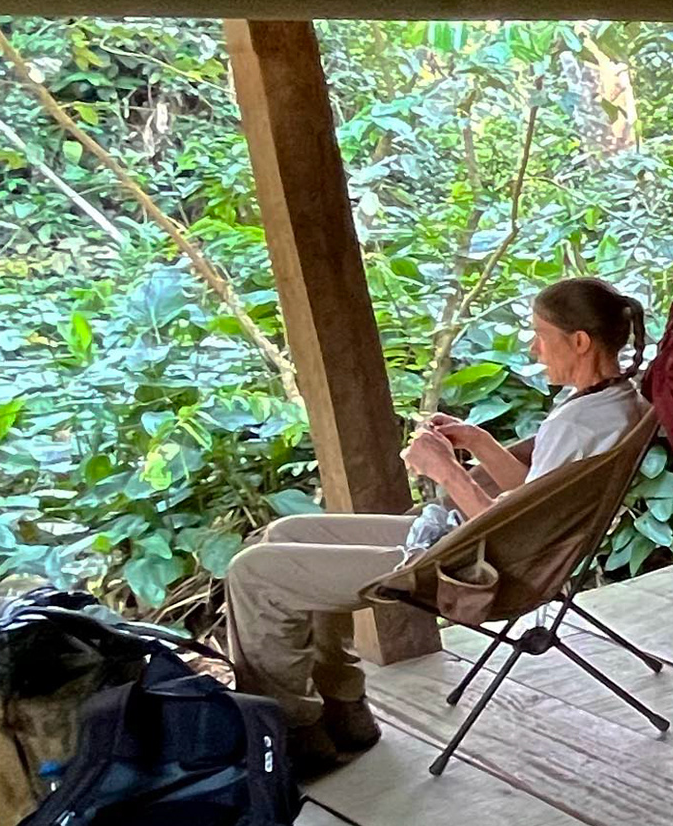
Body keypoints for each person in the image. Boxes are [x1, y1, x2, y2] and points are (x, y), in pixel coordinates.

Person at [220, 276, 648, 773]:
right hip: (491, 546)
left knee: (255, 573)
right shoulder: (611, 404)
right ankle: (342, 708)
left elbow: (510, 527)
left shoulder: (583, 422)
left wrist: (444, 469)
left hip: (478, 569)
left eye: (540, 334)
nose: (533, 347)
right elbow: (536, 497)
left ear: (578, 341)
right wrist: (477, 442)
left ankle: (292, 733)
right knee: (287, 535)